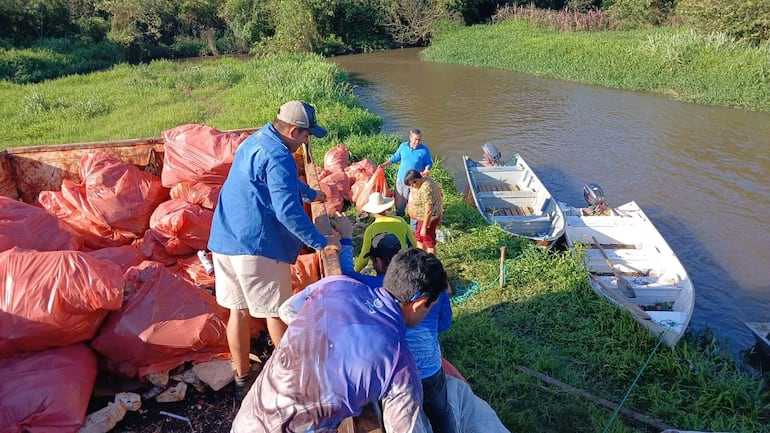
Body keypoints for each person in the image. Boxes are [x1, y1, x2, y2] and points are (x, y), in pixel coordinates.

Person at [207, 100, 339, 404]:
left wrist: (311, 192)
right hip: (256, 245)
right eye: (306, 136)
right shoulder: (280, 154)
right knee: (277, 314)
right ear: (293, 131)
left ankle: (242, 379)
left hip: (225, 240)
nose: (306, 142)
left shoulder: (256, 139)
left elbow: (278, 183)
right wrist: (321, 242)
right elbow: (288, 211)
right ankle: (292, 385)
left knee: (237, 312)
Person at [233, 248, 449, 433]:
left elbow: (287, 310)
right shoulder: (398, 363)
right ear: (419, 304)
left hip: (248, 418)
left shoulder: (336, 284)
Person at [322, 214, 456, 433]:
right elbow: (444, 325)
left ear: (378, 262)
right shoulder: (435, 290)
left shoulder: (375, 288)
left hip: (396, 375)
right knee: (441, 414)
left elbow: (345, 273)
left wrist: (346, 239)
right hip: (431, 369)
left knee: (396, 418)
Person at [354, 191, 417, 271]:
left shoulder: (371, 229)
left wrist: (355, 271)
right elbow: (413, 243)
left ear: (372, 211)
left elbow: (364, 257)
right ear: (385, 207)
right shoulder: (400, 221)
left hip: (384, 267)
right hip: (402, 261)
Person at [379, 128, 433, 217]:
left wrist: (427, 169)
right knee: (400, 202)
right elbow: (395, 158)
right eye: (415, 139)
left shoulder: (424, 150)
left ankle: (414, 220)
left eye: (419, 139)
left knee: (416, 203)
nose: (417, 142)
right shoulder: (403, 147)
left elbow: (428, 163)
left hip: (415, 182)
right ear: (410, 138)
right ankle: (400, 216)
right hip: (401, 179)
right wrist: (383, 165)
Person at [405, 169, 444, 255]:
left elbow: (428, 211)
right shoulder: (426, 178)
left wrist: (424, 227)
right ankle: (420, 258)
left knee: (429, 242)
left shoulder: (426, 189)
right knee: (419, 238)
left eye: (412, 185)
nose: (412, 187)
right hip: (421, 218)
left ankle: (432, 262)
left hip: (428, 219)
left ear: (417, 180)